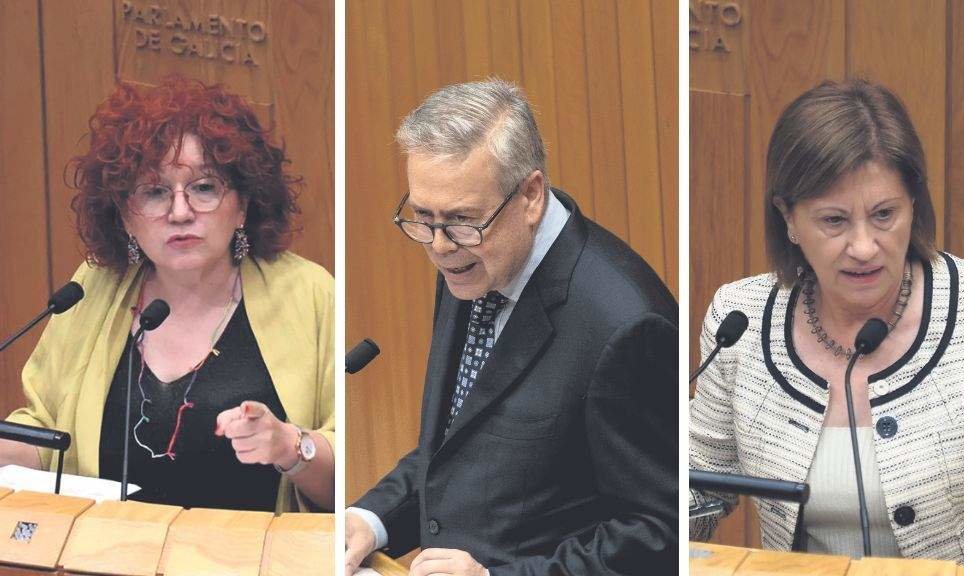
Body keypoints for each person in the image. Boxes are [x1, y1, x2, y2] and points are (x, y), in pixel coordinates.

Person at [345, 79, 678, 575]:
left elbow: (658, 534)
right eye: (422, 217)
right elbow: (463, 447)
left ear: (530, 196)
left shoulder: (625, 326)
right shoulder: (474, 255)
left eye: (459, 220)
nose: (438, 247)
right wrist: (372, 519)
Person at [690, 79, 964, 562]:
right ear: (788, 219)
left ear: (915, 204)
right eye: (834, 220)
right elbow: (697, 487)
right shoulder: (740, 320)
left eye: (884, 214)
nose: (864, 247)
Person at [2, 76, 334, 513]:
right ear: (125, 216)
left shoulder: (308, 294)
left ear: (243, 205)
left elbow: (350, 478)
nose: (180, 212)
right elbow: (46, 436)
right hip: (110, 557)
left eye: (204, 187)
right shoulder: (93, 289)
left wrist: (292, 446)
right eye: (155, 192)